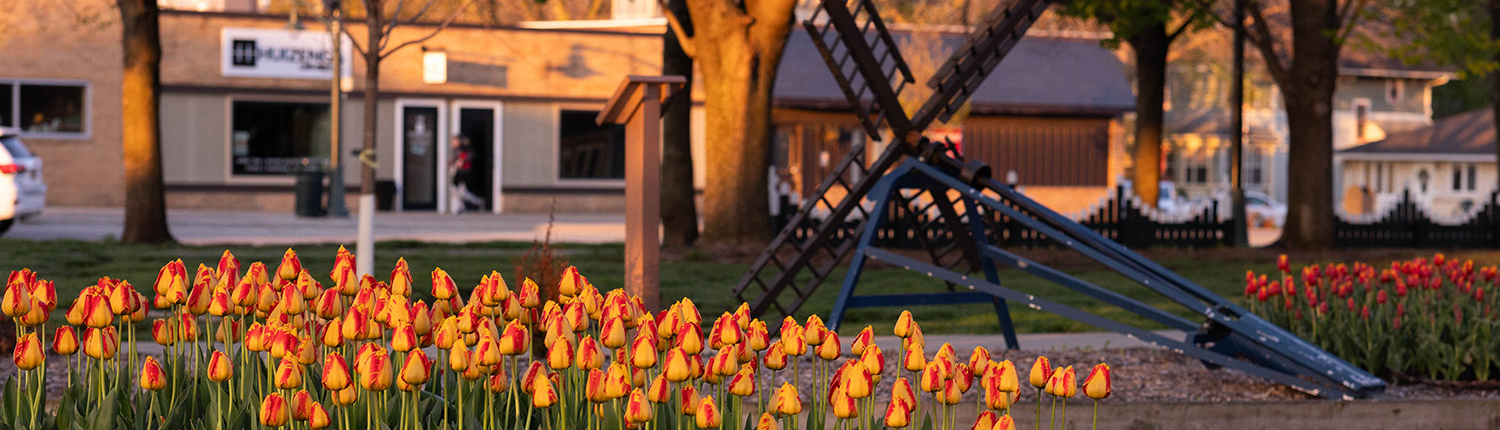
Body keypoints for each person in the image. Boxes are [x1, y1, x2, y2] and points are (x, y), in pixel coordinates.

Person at [448, 136, 485, 214]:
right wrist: (450, 163)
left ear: (459, 141)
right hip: (458, 173)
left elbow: (466, 156)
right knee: (455, 190)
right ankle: (461, 207)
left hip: (465, 173)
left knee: (462, 192)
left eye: (454, 141)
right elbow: (455, 159)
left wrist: (461, 160)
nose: (453, 142)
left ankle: (478, 202)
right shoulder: (455, 150)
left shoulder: (463, 149)